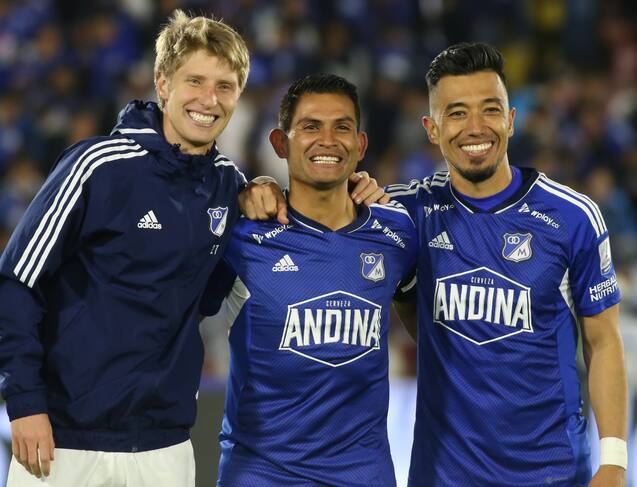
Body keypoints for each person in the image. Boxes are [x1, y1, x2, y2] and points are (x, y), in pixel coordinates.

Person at [0, 11, 384, 487]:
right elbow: (16, 282)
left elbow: (206, 299)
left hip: (165, 449)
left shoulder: (230, 188)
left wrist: (274, 191)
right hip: (64, 439)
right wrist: (26, 404)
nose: (209, 100)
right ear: (163, 84)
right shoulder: (98, 166)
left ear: (239, 96)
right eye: (195, 81)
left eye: (225, 86)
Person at [386, 42, 628, 487]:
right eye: (456, 113)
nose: (476, 127)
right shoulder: (406, 213)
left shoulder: (572, 217)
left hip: (551, 474)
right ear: (431, 129)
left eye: (490, 109)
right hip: (443, 476)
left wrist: (613, 460)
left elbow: (604, 341)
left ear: (511, 119)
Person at [200, 73, 417, 486]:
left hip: (364, 476)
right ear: (281, 143)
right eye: (311, 126)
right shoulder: (242, 236)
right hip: (261, 475)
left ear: (360, 145)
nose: (328, 140)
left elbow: (422, 320)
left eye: (342, 127)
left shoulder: (398, 234)